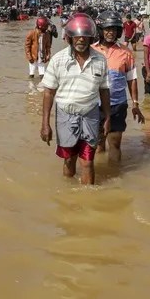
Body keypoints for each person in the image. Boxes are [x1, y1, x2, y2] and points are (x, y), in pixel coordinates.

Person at [40, 15, 111, 185]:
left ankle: (88, 202)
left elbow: (104, 90)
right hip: (65, 115)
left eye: (85, 36)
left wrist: (107, 117)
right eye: (77, 36)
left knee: (87, 162)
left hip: (90, 115)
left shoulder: (100, 60)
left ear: (91, 37)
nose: (81, 40)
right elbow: (48, 92)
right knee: (69, 159)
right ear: (70, 37)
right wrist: (45, 124)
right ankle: (68, 196)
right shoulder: (58, 60)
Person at [93, 11, 146, 161]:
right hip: (94, 105)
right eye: (107, 29)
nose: (111, 33)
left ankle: (115, 175)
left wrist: (135, 104)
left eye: (114, 29)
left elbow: (132, 79)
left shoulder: (126, 52)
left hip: (117, 104)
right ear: (101, 30)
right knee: (97, 143)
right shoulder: (91, 50)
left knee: (115, 144)